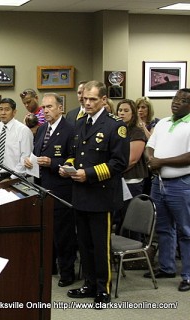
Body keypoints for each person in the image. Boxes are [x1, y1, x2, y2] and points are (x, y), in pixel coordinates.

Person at [60, 81, 129, 308]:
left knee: (100, 246)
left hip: (101, 195)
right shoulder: (80, 123)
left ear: (103, 99)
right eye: (85, 98)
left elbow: (119, 163)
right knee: (84, 243)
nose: (87, 102)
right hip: (80, 195)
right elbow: (74, 154)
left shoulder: (114, 126)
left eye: (92, 99)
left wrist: (88, 174)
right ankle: (89, 284)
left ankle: (102, 289)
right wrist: (68, 167)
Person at [24, 93, 77, 287]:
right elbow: (37, 153)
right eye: (44, 107)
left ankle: (67, 272)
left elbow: (75, 158)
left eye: (50, 107)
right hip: (42, 187)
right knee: (47, 232)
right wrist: (29, 161)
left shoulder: (70, 129)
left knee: (63, 235)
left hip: (62, 189)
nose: (45, 111)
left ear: (60, 108)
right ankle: (51, 267)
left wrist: (53, 163)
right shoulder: (42, 129)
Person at [144, 89, 190, 292]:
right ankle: (167, 267)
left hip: (181, 184)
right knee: (163, 228)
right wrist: (151, 159)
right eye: (176, 98)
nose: (177, 102)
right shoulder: (162, 123)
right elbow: (149, 145)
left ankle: (188, 276)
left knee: (186, 232)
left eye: (183, 100)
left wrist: (161, 161)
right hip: (158, 183)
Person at [115, 99, 148, 237]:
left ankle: (134, 253)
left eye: (126, 110)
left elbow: (133, 159)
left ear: (133, 113)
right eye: (120, 110)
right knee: (119, 219)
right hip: (118, 180)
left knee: (131, 220)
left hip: (131, 181)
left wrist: (111, 171)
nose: (122, 113)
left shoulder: (136, 132)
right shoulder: (116, 130)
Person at [0, 98, 33, 184]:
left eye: (7, 110)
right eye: (0, 109)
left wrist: (11, 178)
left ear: (14, 112)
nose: (3, 113)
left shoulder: (23, 131)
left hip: (15, 178)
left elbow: (25, 158)